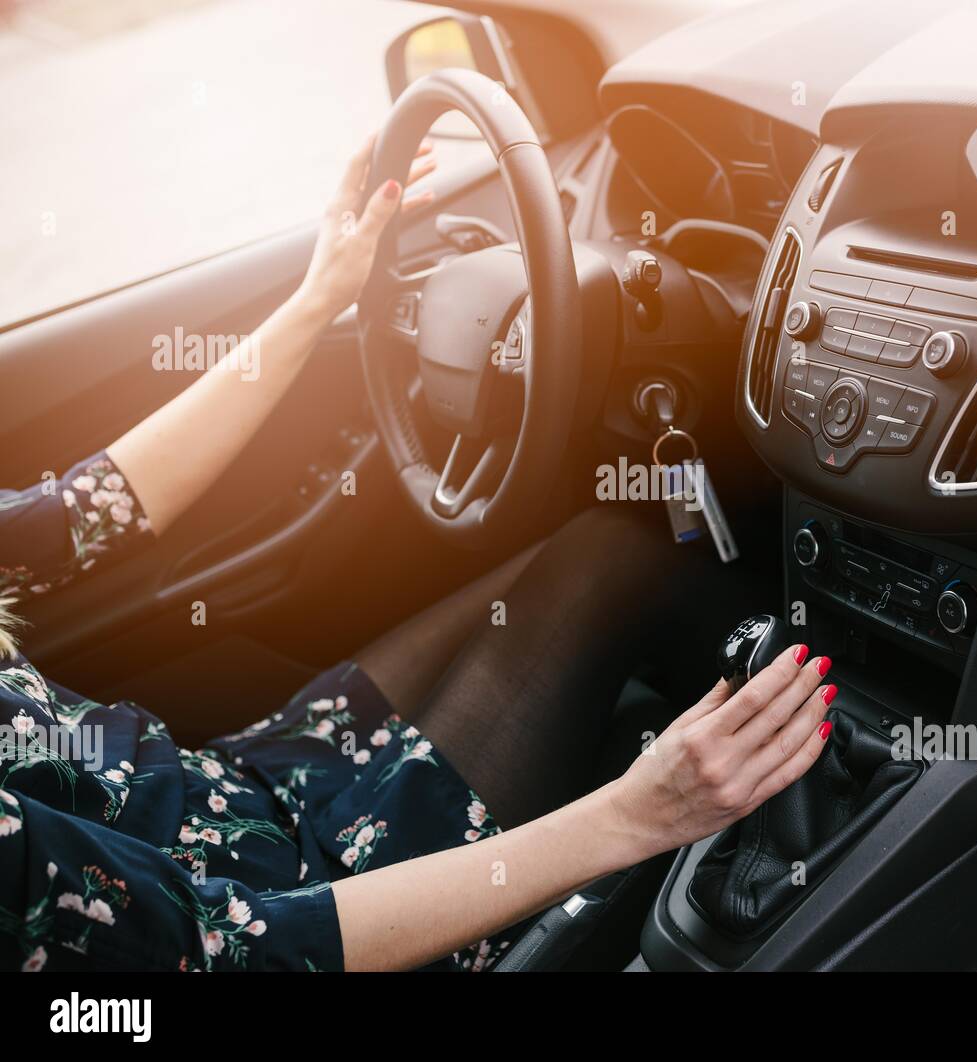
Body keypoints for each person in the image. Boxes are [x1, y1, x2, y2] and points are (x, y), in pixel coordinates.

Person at [0, 136, 837, 972]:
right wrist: (639, 815)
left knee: (600, 549)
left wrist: (319, 297)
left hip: (236, 796)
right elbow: (233, 951)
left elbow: (84, 508)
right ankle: (872, 784)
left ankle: (822, 736)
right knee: (616, 563)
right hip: (297, 916)